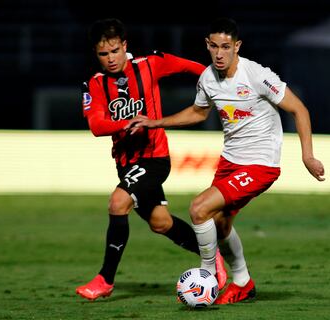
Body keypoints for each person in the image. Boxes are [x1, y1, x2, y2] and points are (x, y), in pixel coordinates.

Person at [126, 17, 325, 304]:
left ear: (237, 46)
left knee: (198, 208)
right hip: (230, 160)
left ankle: (208, 275)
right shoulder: (208, 78)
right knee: (219, 226)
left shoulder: (256, 74)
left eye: (226, 47)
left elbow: (299, 109)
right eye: (214, 46)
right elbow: (198, 112)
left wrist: (307, 155)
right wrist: (155, 122)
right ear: (207, 45)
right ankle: (242, 282)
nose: (219, 53)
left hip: (260, 164)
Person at [76, 18, 227, 301]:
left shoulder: (149, 65)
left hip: (154, 158)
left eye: (115, 51)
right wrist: (125, 124)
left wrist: (220, 81)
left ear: (125, 46)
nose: (110, 59)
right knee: (161, 223)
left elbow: (192, 67)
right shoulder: (94, 85)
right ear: (96, 54)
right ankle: (213, 253)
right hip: (126, 164)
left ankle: (105, 280)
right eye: (103, 54)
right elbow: (96, 125)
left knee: (117, 202)